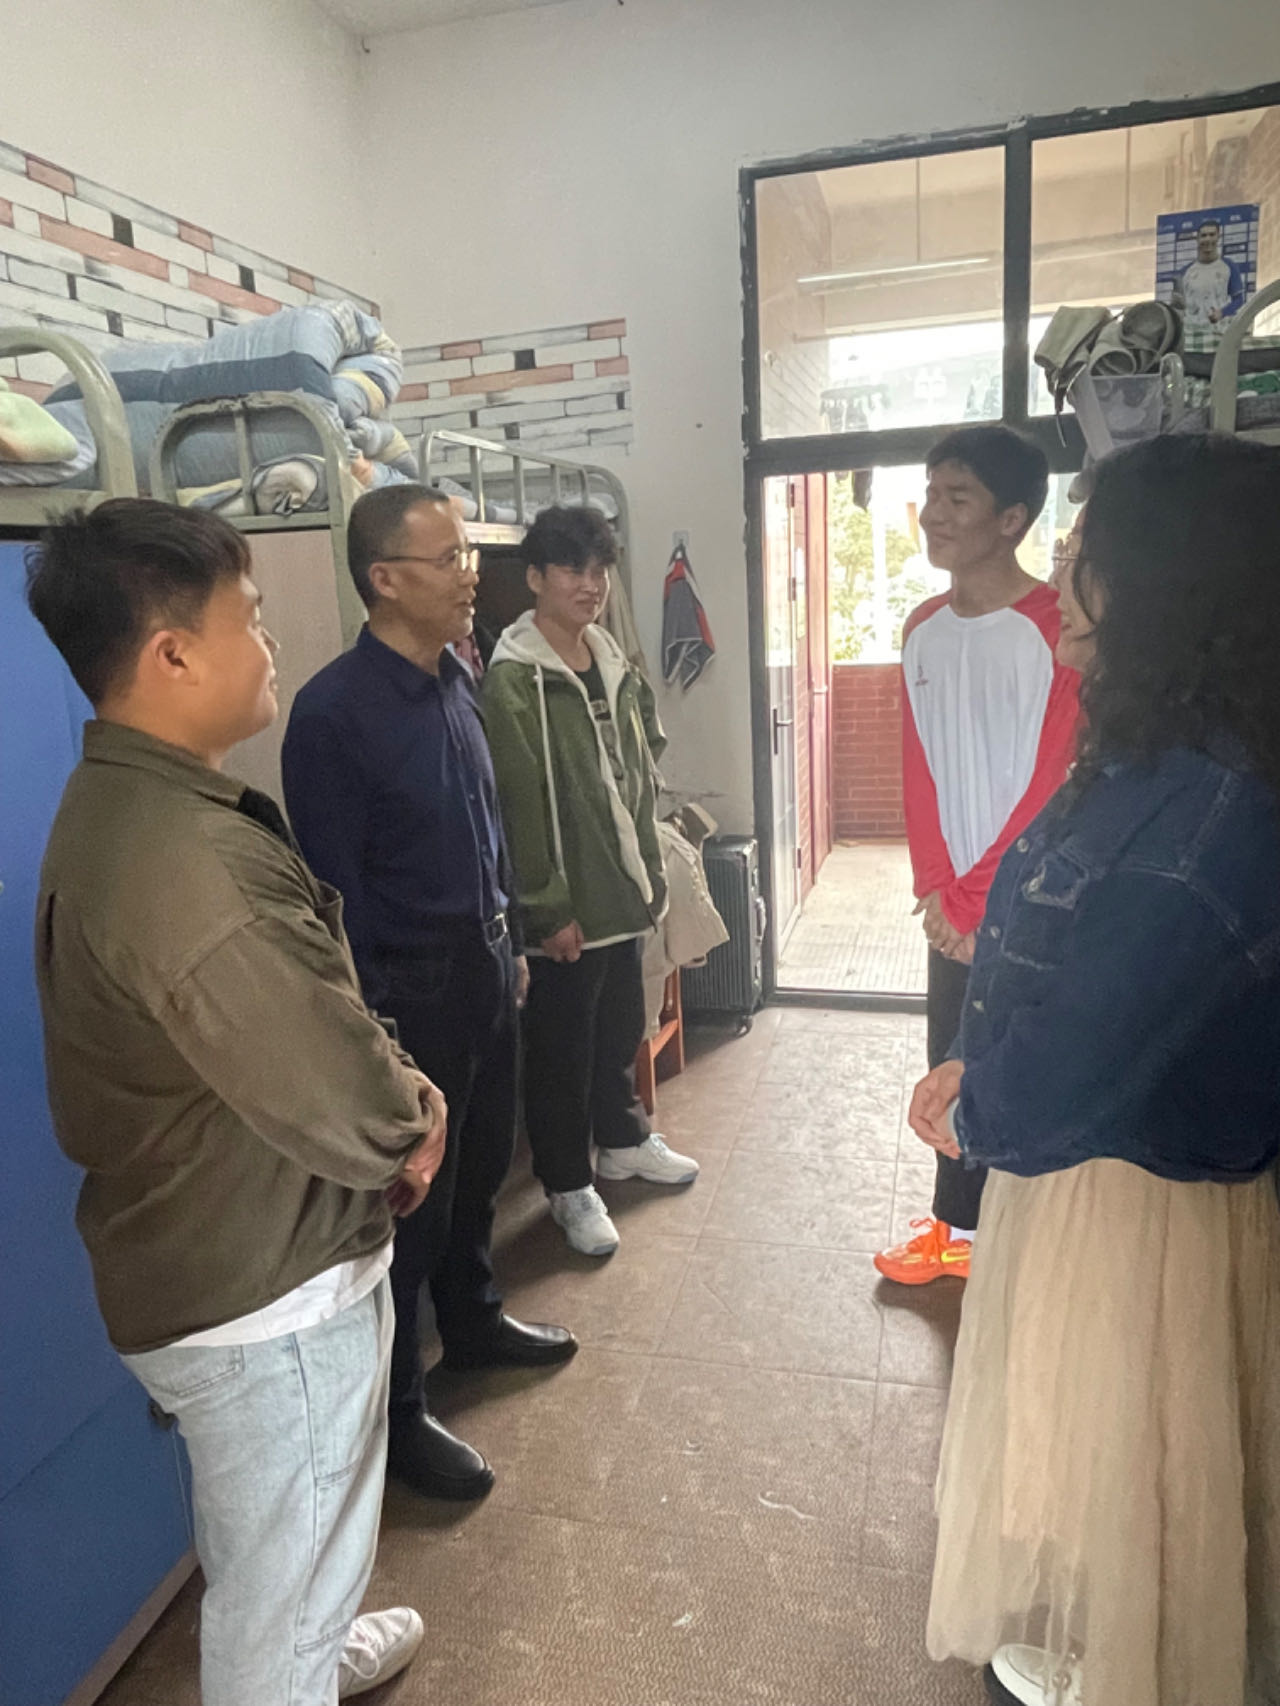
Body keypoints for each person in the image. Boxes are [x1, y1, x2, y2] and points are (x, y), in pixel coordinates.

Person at [27, 500, 444, 1706]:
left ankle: (314, 1648)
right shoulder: (184, 859)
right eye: (250, 620)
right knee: (280, 1581)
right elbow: (335, 1085)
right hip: (264, 1290)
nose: (269, 645)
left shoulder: (143, 805)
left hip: (229, 1257)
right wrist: (412, 1116)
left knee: (278, 1538)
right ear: (171, 653)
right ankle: (291, 1665)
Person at [914, 433, 1280, 1706]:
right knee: (1095, 1446)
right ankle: (1107, 1644)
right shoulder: (1153, 754)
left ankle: (1137, 1666)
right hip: (1093, 1163)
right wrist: (973, 1057)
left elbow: (1089, 1037)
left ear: (1167, 584)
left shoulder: (1209, 806)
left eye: (1084, 553)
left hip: (1134, 1193)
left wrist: (979, 1093)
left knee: (1138, 1450)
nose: (1061, 579)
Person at [282, 484, 577, 1504]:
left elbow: (485, 823)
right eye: (449, 557)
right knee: (414, 1209)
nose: (471, 574)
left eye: (467, 555)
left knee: (483, 1166)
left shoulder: (457, 674)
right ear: (384, 578)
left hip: (487, 967)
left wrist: (513, 939)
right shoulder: (332, 715)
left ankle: (477, 1318)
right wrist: (378, 1037)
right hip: (410, 991)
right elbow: (336, 898)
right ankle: (400, 1414)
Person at [874, 427, 1080, 1287]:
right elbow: (919, 766)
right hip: (951, 906)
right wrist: (935, 888)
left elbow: (1054, 781)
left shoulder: (1059, 628)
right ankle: (956, 1228)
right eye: (931, 494)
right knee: (949, 1062)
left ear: (1012, 519)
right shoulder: (922, 628)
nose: (934, 514)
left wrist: (974, 900)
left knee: (1019, 1063)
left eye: (957, 498)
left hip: (1030, 901)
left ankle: (1027, 1245)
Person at [482, 506, 698, 1257]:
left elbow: (638, 763)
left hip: (622, 890)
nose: (591, 585)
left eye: (599, 570)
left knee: (616, 1034)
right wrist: (546, 910)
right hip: (568, 908)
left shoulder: (607, 658)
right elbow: (519, 806)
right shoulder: (515, 681)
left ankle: (624, 1142)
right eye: (572, 569)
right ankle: (569, 1185)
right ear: (535, 578)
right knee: (560, 1058)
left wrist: (650, 872)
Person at [1173, 218, 1247, 327]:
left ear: (1218, 237)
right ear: (1197, 239)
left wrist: (1222, 313)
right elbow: (1177, 306)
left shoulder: (1229, 266)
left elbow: (1239, 300)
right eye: (1204, 235)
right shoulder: (1184, 272)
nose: (1208, 239)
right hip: (1191, 331)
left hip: (1220, 330)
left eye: (1212, 235)